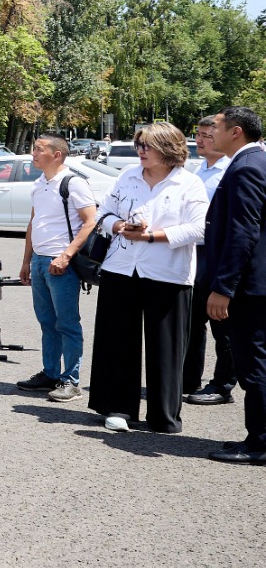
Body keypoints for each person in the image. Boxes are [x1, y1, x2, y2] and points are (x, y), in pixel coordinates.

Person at [87, 121, 207, 434]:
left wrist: (152, 236)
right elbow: (103, 213)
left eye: (147, 146)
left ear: (168, 149)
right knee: (116, 341)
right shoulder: (127, 176)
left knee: (165, 346)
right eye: (139, 145)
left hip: (168, 271)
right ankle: (117, 408)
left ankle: (163, 415)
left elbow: (198, 228)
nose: (140, 151)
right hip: (121, 267)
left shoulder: (189, 183)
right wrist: (118, 226)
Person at [203, 106, 266, 464]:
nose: (210, 133)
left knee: (254, 365)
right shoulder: (253, 161)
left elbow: (243, 233)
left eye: (217, 127)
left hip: (249, 287)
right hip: (254, 283)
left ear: (236, 131)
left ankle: (259, 443)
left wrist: (223, 287)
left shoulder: (246, 167)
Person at [17, 134, 97, 403]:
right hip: (40, 260)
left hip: (62, 263)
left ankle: (71, 381)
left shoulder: (73, 183)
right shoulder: (39, 184)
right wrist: (26, 261)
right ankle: (50, 374)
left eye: (39, 149)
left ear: (57, 154)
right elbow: (34, 222)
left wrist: (66, 255)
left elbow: (90, 222)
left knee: (67, 324)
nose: (33, 153)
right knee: (47, 322)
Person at [185, 115, 236, 405]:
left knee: (222, 322)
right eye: (199, 134)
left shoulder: (230, 170)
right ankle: (188, 379)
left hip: (217, 252)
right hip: (195, 251)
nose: (201, 140)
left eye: (207, 135)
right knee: (192, 321)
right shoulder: (198, 169)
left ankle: (223, 385)